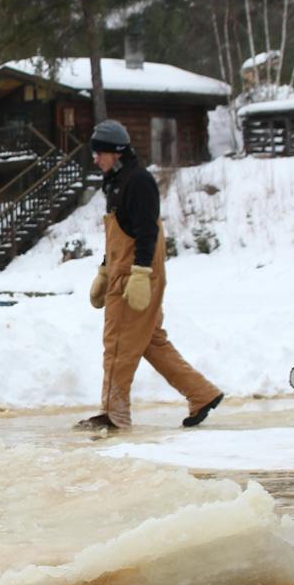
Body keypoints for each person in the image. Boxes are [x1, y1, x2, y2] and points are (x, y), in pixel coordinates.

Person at [76, 119, 223, 434]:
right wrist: (104, 269)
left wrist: (141, 273)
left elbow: (146, 232)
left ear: (115, 152)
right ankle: (202, 394)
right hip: (121, 272)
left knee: (117, 343)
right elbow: (119, 233)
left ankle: (113, 414)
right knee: (149, 342)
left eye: (98, 153)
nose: (95, 160)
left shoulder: (138, 181)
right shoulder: (115, 182)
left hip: (135, 277)